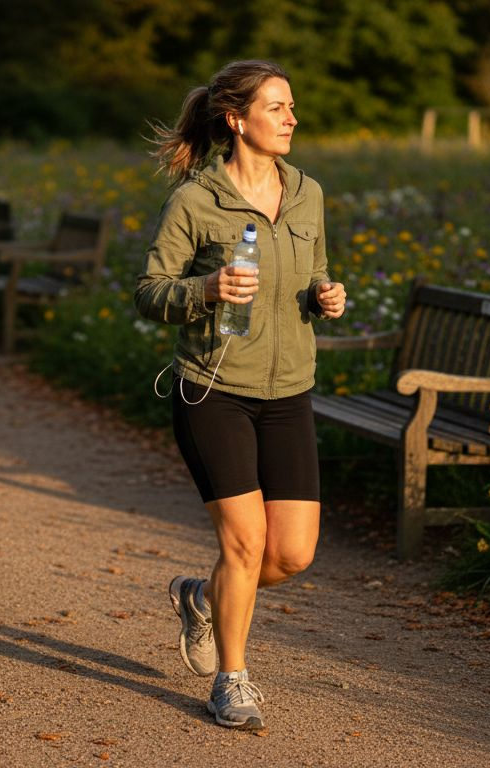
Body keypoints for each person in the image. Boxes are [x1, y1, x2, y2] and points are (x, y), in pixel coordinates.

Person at [133, 59, 346, 731]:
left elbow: (313, 272)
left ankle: (201, 597)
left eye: (291, 107)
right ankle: (232, 679)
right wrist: (205, 290)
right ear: (236, 119)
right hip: (213, 390)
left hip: (288, 392)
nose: (291, 118)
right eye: (278, 107)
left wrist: (325, 295)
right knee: (246, 544)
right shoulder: (197, 200)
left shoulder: (307, 193)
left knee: (292, 554)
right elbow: (149, 291)